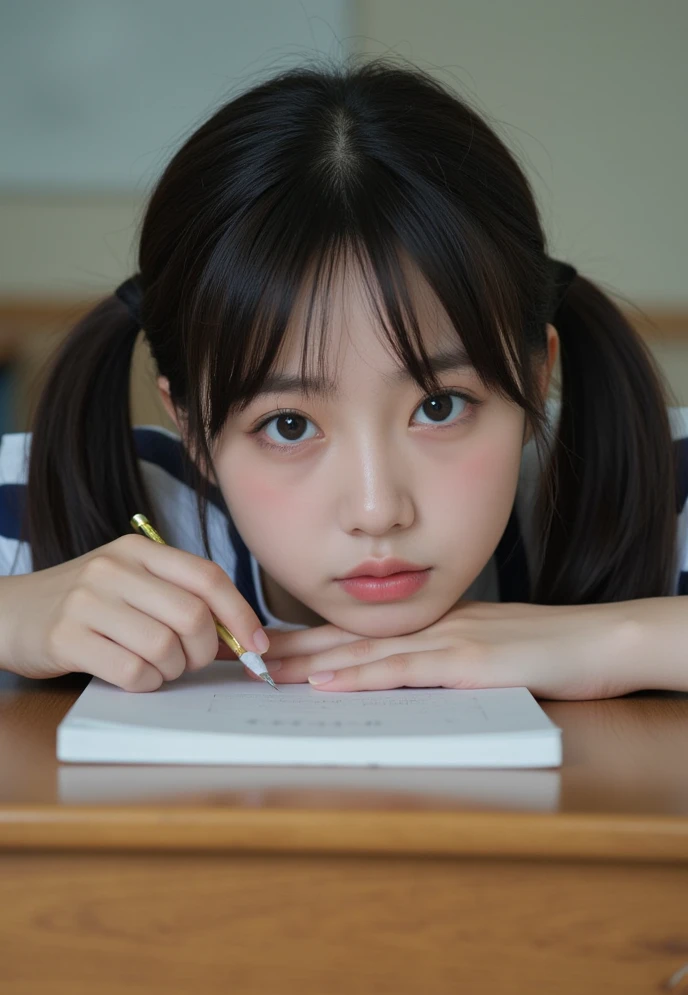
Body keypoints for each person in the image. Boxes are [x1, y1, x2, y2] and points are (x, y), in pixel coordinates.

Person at [0, 57, 686, 699]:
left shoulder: (662, 486)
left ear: (538, 376)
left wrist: (617, 639)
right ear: (192, 427)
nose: (376, 510)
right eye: (288, 425)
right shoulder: (59, 496)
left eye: (441, 406)